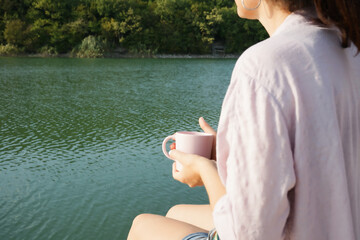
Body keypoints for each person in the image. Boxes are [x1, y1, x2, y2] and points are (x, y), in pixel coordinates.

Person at [127, 0, 360, 239]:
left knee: (143, 226)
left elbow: (246, 234)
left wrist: (207, 171)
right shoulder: (348, 48)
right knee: (175, 212)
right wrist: (235, 155)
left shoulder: (264, 66)